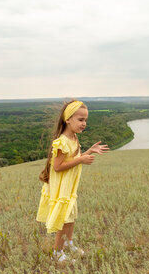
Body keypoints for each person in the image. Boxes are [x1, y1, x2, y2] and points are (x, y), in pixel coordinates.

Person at [37, 100, 109, 262]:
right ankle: (57, 253)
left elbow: (76, 157)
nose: (84, 124)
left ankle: (68, 244)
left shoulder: (74, 137)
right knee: (63, 219)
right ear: (68, 119)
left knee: (71, 217)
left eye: (85, 120)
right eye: (80, 120)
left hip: (69, 186)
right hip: (61, 187)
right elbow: (57, 166)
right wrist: (82, 160)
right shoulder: (62, 142)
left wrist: (90, 151)